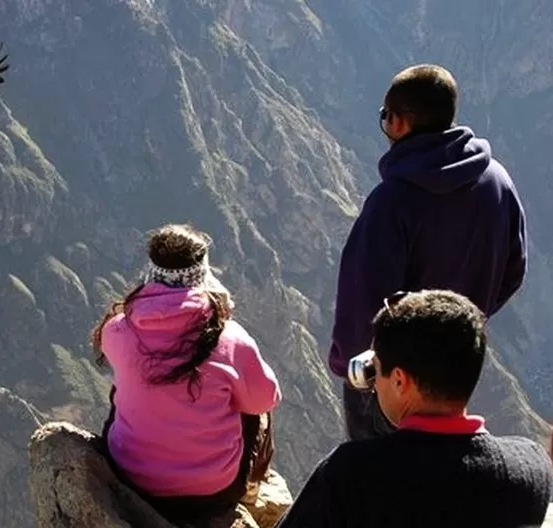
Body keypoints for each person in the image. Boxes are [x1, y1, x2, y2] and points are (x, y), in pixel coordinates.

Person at [328, 64, 528, 441]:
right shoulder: (496, 181)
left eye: (385, 117)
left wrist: (355, 367)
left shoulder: (392, 203)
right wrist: (464, 320)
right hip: (457, 367)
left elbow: (363, 301)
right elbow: (513, 270)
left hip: (394, 378)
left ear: (399, 123)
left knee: (381, 483)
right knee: (444, 465)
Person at [276, 290, 553, 528]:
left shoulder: (351, 475)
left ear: (399, 380)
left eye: (378, 372)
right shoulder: (531, 470)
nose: (374, 385)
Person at [92, 223, 282, 523]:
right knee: (255, 400)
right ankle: (252, 488)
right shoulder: (229, 338)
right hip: (211, 492)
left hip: (131, 476)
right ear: (202, 274)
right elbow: (265, 399)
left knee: (123, 387)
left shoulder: (117, 329)